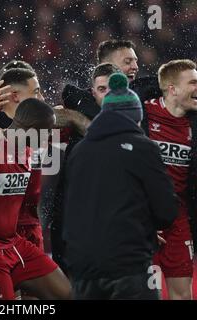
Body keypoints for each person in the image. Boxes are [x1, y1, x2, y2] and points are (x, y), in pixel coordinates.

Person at [63, 73, 178, 300]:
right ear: (134, 117)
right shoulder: (143, 147)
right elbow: (166, 211)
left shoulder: (79, 151)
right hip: (128, 263)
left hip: (83, 267)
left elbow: (73, 206)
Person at [0, 98, 71, 300]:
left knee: (67, 294)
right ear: (31, 129)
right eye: (47, 130)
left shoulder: (28, 154)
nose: (50, 136)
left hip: (12, 242)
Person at [145, 59, 197, 299]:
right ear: (172, 89)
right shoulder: (140, 114)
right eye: (193, 82)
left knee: (182, 295)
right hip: (139, 220)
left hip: (177, 221)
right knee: (141, 294)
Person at [50, 63, 122, 274]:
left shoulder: (139, 120)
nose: (108, 94)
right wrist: (74, 117)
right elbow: (47, 115)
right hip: (73, 218)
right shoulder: (79, 106)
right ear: (92, 93)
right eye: (101, 89)